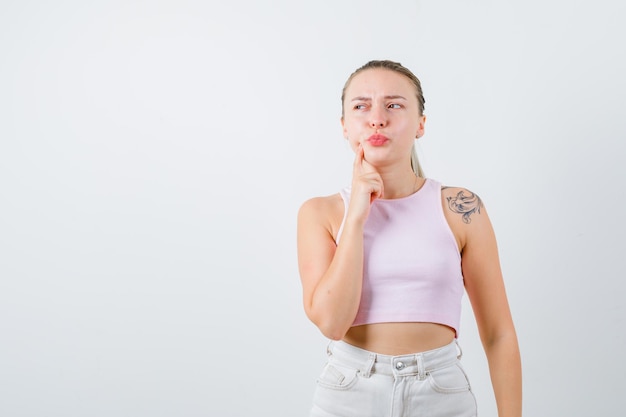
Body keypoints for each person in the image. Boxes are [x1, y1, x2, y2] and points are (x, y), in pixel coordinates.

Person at [296, 60, 521, 417]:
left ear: (421, 124)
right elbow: (332, 323)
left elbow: (498, 334)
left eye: (394, 104)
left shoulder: (460, 208)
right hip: (348, 394)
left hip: (440, 393)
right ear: (343, 126)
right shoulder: (320, 213)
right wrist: (355, 217)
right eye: (361, 106)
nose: (376, 118)